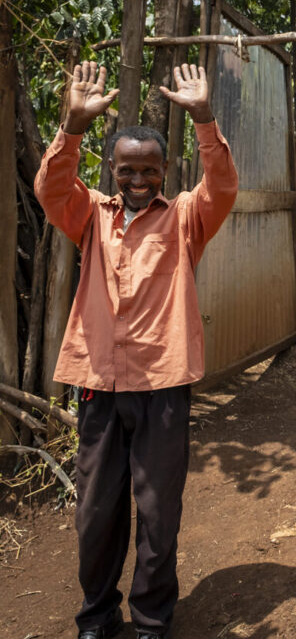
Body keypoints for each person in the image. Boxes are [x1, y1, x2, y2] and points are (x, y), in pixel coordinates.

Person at [34, 61, 238, 639]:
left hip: (163, 389)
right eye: (127, 170)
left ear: (165, 170)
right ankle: (96, 618)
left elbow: (222, 186)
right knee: (96, 514)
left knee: (157, 513)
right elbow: (50, 186)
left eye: (149, 169)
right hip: (98, 383)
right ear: (114, 171)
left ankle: (150, 621)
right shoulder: (91, 217)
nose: (138, 180)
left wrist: (204, 118)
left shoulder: (185, 220)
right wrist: (71, 126)